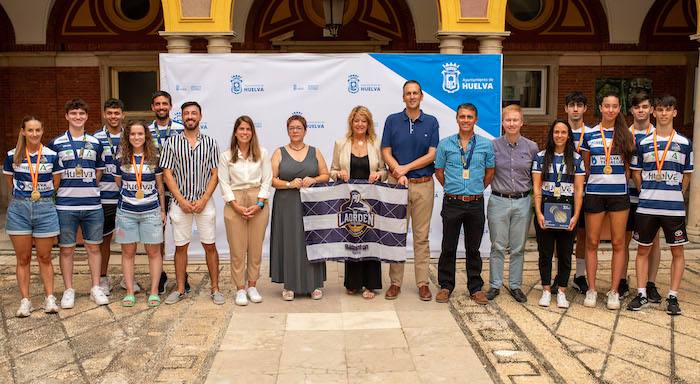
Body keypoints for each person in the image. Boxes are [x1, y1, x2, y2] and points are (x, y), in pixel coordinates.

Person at [629, 94, 692, 315]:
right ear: (654, 113)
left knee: (677, 251)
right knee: (642, 250)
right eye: (660, 110)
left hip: (673, 208)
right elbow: (636, 174)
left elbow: (687, 176)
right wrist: (645, 191)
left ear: (675, 112)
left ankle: (673, 296)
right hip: (647, 206)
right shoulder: (644, 143)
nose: (664, 113)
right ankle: (641, 293)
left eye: (668, 109)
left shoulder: (684, 143)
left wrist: (676, 193)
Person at [380, 80, 439, 301]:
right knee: (397, 235)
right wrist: (398, 171)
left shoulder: (431, 122)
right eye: (408, 93)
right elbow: (386, 150)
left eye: (415, 93)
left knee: (421, 237)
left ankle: (422, 283)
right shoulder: (392, 120)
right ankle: (395, 283)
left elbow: (432, 154)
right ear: (403, 97)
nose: (412, 96)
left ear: (421, 96)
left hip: (423, 184)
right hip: (397, 185)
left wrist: (406, 167)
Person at [159, 101, 223, 305]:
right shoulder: (171, 143)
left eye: (193, 113)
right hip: (180, 203)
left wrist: (204, 199)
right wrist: (181, 199)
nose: (190, 117)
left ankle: (215, 289)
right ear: (182, 117)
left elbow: (215, 173)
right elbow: (167, 174)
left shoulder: (211, 143)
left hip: (205, 203)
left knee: (210, 246)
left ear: (200, 117)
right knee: (181, 247)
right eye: (186, 113)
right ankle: (180, 289)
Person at [50, 99, 109, 309]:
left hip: (93, 204)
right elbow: (52, 174)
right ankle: (68, 290)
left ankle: (95, 287)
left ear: (86, 117)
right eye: (73, 114)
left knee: (94, 247)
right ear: (66, 116)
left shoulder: (95, 142)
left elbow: (99, 171)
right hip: (65, 206)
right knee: (67, 250)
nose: (77, 117)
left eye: (81, 114)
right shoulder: (55, 144)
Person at [579, 91, 636, 310]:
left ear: (619, 109)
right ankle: (592, 289)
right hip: (594, 193)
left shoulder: (626, 135)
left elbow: (629, 169)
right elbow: (586, 167)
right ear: (600, 108)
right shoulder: (590, 134)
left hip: (619, 195)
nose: (610, 110)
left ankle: (614, 291)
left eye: (614, 106)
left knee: (618, 242)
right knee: (591, 242)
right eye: (606, 106)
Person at [434, 103, 494, 305]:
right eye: (462, 117)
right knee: (448, 246)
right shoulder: (445, 144)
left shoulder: (486, 145)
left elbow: (489, 173)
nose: (466, 120)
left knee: (473, 248)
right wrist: (454, 188)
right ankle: (445, 286)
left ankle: (475, 288)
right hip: (452, 202)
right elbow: (439, 172)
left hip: (475, 203)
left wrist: (475, 189)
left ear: (475, 119)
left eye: (469, 117)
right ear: (457, 119)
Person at [4, 116, 62, 317]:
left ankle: (49, 298)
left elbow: (56, 182)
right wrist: (24, 199)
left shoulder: (52, 155)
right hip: (19, 209)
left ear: (42, 131)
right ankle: (25, 300)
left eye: (38, 130)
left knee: (45, 257)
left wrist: (40, 197)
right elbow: (10, 182)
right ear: (23, 131)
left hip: (45, 207)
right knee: (23, 258)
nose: (34, 134)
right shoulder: (12, 156)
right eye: (30, 130)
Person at [270, 115, 330, 301]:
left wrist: (314, 179)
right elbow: (271, 180)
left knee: (312, 242)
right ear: (287, 131)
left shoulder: (315, 152)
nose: (295, 131)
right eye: (291, 128)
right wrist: (289, 184)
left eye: (298, 127)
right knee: (289, 242)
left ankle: (314, 284)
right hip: (286, 204)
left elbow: (326, 175)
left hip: (311, 205)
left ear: (305, 130)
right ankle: (289, 284)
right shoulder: (279, 152)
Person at [330, 106, 387, 299]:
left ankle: (371, 284)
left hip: (371, 202)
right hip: (349, 201)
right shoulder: (341, 143)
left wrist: (378, 174)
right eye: (356, 121)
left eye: (364, 121)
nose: (360, 124)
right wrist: (338, 173)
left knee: (370, 239)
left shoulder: (377, 143)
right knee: (353, 238)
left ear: (368, 123)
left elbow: (385, 172)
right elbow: (332, 170)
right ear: (351, 123)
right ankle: (353, 283)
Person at [486, 104, 539, 303]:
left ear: (522, 122)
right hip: (498, 200)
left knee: (518, 247)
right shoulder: (493, 146)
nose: (511, 123)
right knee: (498, 246)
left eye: (515, 120)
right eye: (508, 120)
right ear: (502, 122)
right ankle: (495, 284)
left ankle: (515, 285)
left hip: (523, 202)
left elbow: (536, 177)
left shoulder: (532, 147)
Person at [219, 116, 272, 306]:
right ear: (235, 132)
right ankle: (240, 288)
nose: (244, 132)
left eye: (248, 129)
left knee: (255, 247)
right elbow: (224, 183)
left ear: (252, 133)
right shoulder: (226, 156)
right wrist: (236, 206)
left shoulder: (263, 153)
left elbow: (267, 180)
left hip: (258, 200)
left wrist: (259, 204)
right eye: (241, 129)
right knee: (237, 248)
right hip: (235, 201)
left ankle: (252, 285)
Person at [532, 120, 585, 308]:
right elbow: (537, 188)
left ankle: (562, 291)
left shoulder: (576, 159)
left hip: (567, 210)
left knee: (564, 253)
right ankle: (546, 290)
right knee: (545, 253)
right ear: (551, 134)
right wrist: (538, 213)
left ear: (568, 135)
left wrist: (576, 215)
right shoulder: (540, 157)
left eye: (563, 132)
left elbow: (579, 190)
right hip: (546, 209)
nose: (559, 135)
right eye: (556, 132)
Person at [113, 120, 165, 307]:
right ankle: (129, 292)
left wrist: (162, 211)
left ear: (146, 136)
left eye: (140, 134)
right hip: (126, 213)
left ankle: (153, 291)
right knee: (128, 252)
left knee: (153, 252)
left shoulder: (154, 157)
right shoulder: (120, 158)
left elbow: (160, 187)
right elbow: (119, 184)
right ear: (127, 136)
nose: (136, 137)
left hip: (151, 212)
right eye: (133, 134)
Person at [94, 98, 141, 295]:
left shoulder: (130, 136)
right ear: (105, 114)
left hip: (126, 199)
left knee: (127, 240)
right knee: (104, 240)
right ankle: (103, 278)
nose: (113, 116)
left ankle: (127, 278)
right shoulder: (95, 138)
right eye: (110, 113)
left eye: (117, 113)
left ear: (123, 115)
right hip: (104, 199)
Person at [148, 90, 186, 295]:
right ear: (152, 107)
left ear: (171, 106)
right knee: (157, 236)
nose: (161, 107)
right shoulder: (145, 131)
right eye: (157, 104)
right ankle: (160, 275)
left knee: (182, 235)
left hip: (179, 188)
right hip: (154, 190)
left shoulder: (181, 129)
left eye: (165, 103)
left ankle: (183, 276)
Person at [626, 91, 662, 303]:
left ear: (651, 110)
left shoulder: (659, 136)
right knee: (622, 240)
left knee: (653, 242)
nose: (641, 110)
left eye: (645, 107)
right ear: (632, 110)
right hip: (626, 194)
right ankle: (622, 280)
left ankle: (650, 283)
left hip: (651, 197)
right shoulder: (624, 134)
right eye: (637, 107)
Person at [564, 91, 590, 294]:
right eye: (572, 105)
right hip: (561, 191)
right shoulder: (558, 131)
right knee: (558, 233)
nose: (575, 109)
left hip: (585, 191)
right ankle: (558, 274)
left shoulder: (591, 134)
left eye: (579, 105)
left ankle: (579, 275)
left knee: (583, 234)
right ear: (565, 108)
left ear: (585, 109)